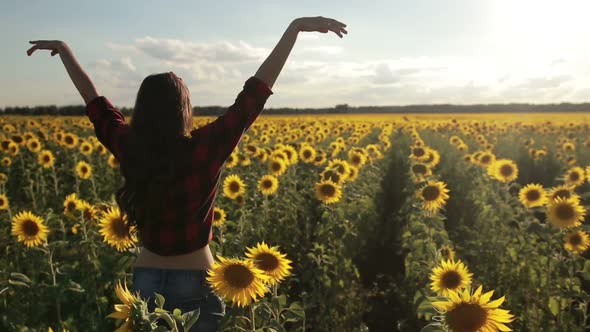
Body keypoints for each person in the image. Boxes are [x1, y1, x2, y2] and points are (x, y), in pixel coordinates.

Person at [26, 16, 347, 331]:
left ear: (143, 109)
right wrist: (295, 28)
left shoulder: (128, 146)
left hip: (146, 280)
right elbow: (254, 96)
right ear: (184, 110)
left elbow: (95, 104)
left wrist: (65, 51)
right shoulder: (205, 148)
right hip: (198, 279)